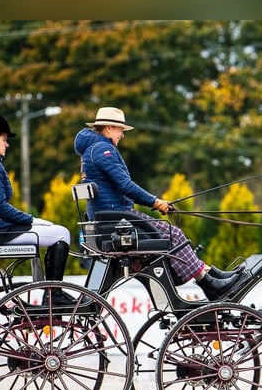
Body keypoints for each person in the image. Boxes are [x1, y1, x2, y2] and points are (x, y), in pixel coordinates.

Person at [73, 106, 243, 301]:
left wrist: (155, 203)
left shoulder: (91, 151)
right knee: (174, 233)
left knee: (172, 234)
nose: (122, 135)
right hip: (117, 220)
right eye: (120, 130)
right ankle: (208, 282)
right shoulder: (103, 150)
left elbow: (121, 187)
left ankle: (210, 275)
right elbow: (126, 186)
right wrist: (156, 202)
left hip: (110, 219)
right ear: (109, 128)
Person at [0, 111, 75, 306]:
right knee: (62, 234)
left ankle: (50, 291)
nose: (6, 144)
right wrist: (31, 219)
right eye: (4, 139)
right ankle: (54, 294)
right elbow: (0, 207)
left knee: (53, 233)